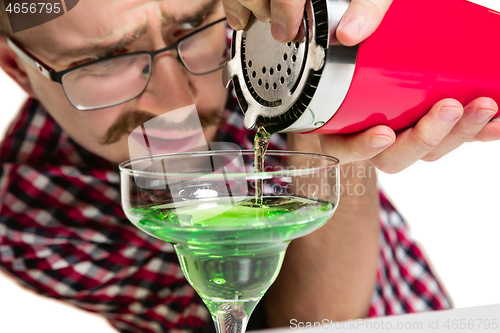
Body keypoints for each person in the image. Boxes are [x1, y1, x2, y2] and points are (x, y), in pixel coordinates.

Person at [0, 0, 498, 332]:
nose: (178, 103)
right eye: (106, 59)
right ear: (18, 67)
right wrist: (328, 154)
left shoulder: (259, 34)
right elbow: (314, 323)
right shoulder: (31, 213)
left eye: (192, 27)